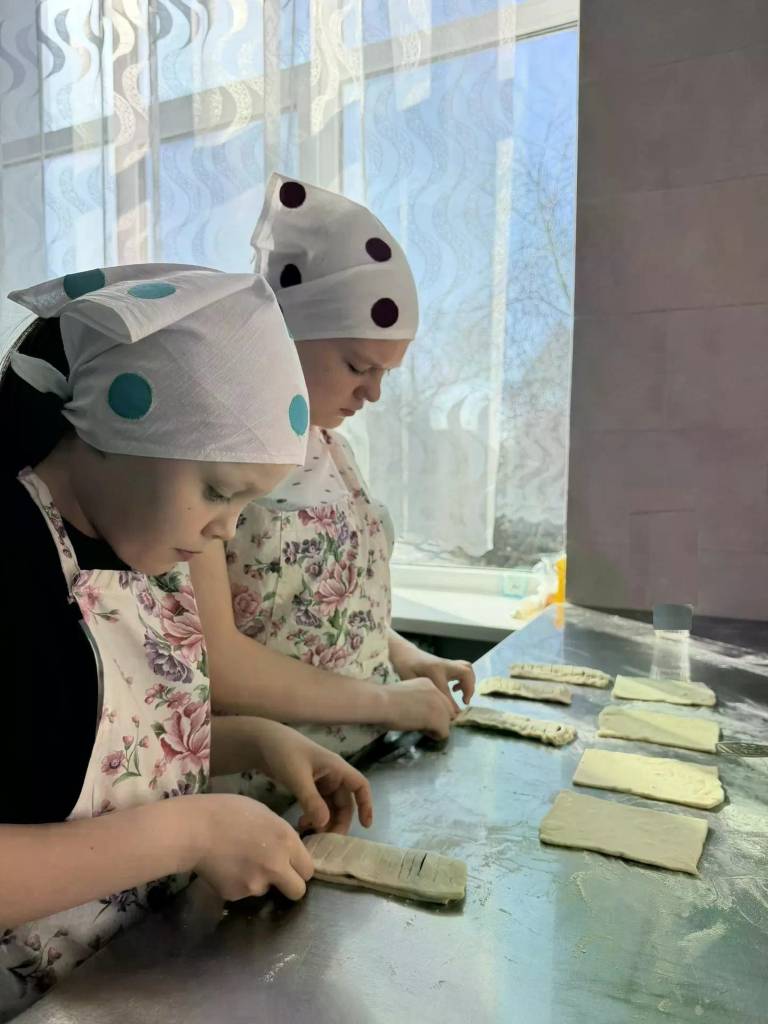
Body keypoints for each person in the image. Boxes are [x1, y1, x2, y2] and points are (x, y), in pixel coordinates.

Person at [0, 264, 372, 1020]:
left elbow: (75, 757)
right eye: (217, 491)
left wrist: (253, 742)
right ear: (110, 433)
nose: (226, 531)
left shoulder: (140, 549)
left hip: (125, 980)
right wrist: (191, 832)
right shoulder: (11, 559)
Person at [189, 175, 476, 789]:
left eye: (386, 374)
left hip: (364, 765)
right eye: (358, 366)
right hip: (269, 792)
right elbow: (220, 663)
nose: (373, 393)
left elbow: (328, 613)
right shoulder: (207, 458)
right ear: (283, 335)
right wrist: (387, 702)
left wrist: (406, 659)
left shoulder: (332, 449)